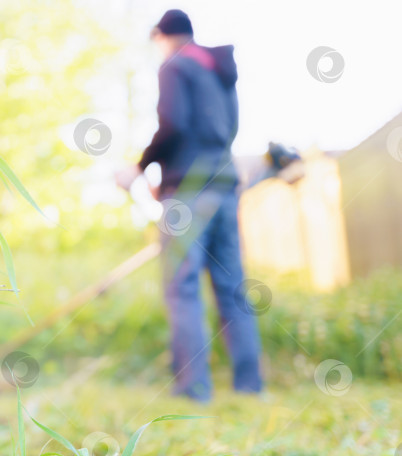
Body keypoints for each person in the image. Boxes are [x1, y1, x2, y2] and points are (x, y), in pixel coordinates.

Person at [115, 9, 262, 401]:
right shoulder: (217, 68)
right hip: (225, 182)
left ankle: (193, 388)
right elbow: (230, 128)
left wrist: (139, 168)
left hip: (189, 190)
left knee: (182, 287)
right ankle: (251, 387)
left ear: (164, 36)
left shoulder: (174, 66)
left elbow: (173, 124)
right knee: (233, 288)